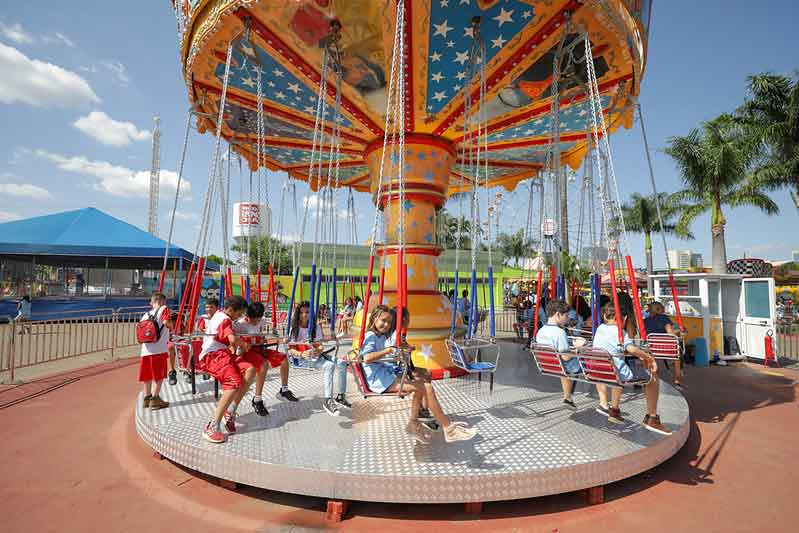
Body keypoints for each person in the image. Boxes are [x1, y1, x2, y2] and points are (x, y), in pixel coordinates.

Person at [359, 305, 477, 444]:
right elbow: (366, 357)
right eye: (383, 321)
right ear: (374, 318)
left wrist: (396, 352)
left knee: (424, 384)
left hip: (385, 375)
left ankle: (417, 420)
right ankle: (447, 428)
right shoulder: (371, 336)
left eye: (389, 322)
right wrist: (389, 351)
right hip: (380, 380)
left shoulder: (379, 336)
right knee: (425, 387)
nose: (386, 325)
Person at [592, 303, 672, 435]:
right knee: (652, 377)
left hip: (601, 371)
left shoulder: (600, 328)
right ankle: (652, 418)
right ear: (624, 319)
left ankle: (615, 410)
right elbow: (631, 349)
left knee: (618, 372)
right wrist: (649, 358)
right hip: (616, 373)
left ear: (605, 316)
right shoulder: (620, 333)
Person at [196, 296, 256, 443]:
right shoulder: (225, 319)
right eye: (239, 313)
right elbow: (232, 339)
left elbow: (226, 339)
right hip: (213, 356)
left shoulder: (220, 316)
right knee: (234, 383)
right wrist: (242, 344)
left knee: (250, 369)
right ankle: (212, 426)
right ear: (231, 310)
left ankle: (230, 410)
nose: (239, 317)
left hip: (222, 354)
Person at [287, 301, 350, 416]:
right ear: (298, 314)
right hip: (301, 358)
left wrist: (318, 350)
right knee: (329, 365)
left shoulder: (315, 327)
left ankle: (341, 395)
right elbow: (290, 350)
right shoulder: (294, 329)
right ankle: (328, 400)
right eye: (301, 313)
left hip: (315, 356)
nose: (304, 315)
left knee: (342, 363)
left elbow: (320, 345)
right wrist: (302, 354)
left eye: (307, 312)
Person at [234, 302, 284, 417]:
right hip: (246, 351)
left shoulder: (262, 321)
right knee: (263, 365)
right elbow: (233, 340)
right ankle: (256, 399)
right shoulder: (240, 324)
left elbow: (262, 336)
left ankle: (283, 390)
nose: (254, 322)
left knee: (283, 358)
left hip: (258, 349)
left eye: (257, 320)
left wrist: (262, 340)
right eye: (252, 320)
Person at [535, 299, 586, 409]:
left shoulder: (541, 331)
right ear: (558, 314)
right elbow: (566, 357)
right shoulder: (559, 333)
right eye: (566, 316)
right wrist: (578, 349)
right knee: (586, 361)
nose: (567, 319)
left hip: (549, 364)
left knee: (566, 369)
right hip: (562, 365)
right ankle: (603, 400)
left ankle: (568, 397)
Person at [139, 292, 174, 411]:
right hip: (158, 349)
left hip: (145, 350)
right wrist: (172, 326)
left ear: (152, 302)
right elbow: (166, 322)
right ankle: (155, 398)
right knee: (159, 375)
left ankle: (146, 398)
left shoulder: (145, 315)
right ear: (162, 301)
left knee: (147, 375)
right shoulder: (164, 309)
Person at [645, 301, 683, 388]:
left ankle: (650, 375)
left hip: (651, 349)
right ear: (659, 310)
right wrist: (679, 331)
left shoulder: (645, 321)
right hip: (667, 349)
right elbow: (670, 334)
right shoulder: (664, 318)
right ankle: (677, 378)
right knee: (678, 353)